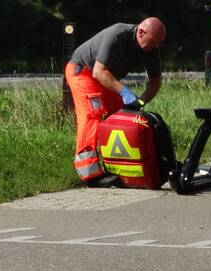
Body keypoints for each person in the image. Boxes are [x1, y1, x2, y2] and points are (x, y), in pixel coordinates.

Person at [64, 18, 166, 186]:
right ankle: (90, 175)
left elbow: (155, 82)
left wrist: (140, 102)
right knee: (93, 115)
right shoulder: (117, 35)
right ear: (141, 33)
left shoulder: (150, 49)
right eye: (154, 42)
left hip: (106, 77)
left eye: (159, 43)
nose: (156, 47)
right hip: (83, 71)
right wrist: (124, 91)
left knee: (120, 116)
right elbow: (98, 72)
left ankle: (117, 166)